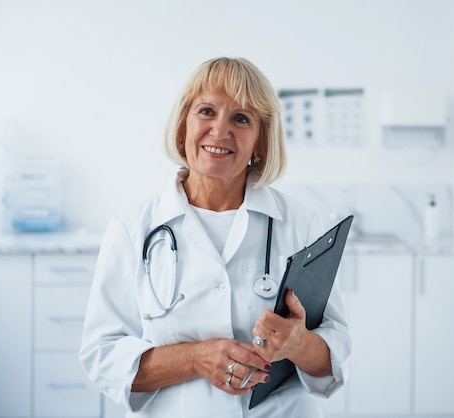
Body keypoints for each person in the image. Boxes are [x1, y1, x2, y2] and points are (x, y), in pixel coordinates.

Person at [79, 57, 351, 417]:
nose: (220, 131)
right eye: (206, 111)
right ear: (183, 127)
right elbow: (102, 355)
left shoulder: (300, 225)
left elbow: (336, 345)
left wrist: (298, 344)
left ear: (260, 143)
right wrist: (194, 358)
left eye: (241, 118)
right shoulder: (133, 228)